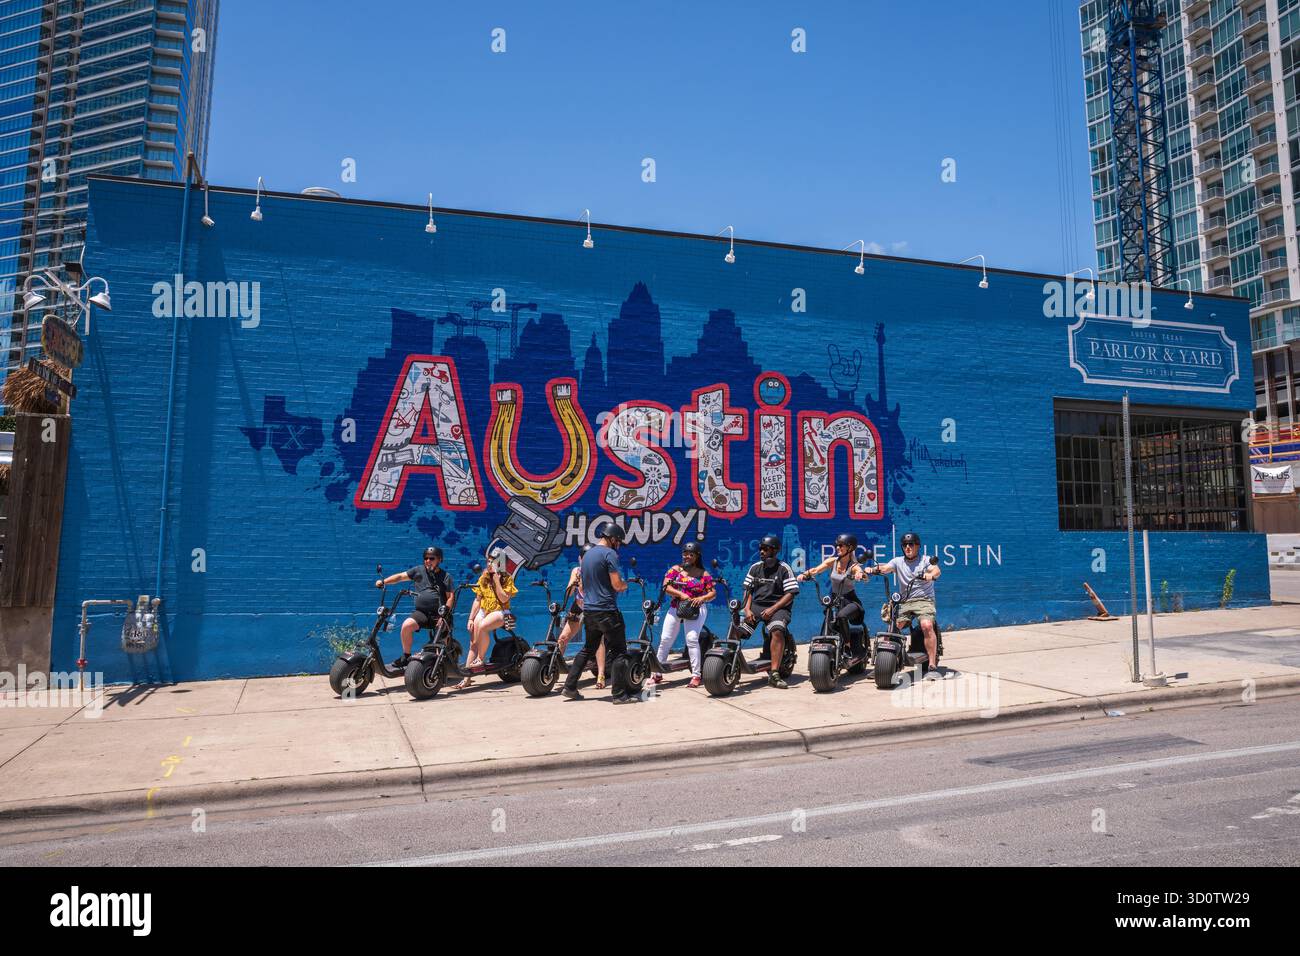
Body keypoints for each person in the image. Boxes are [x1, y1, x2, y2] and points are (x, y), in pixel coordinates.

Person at [562, 518, 632, 702]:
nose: (618, 545)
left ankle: (569, 687)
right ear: (613, 538)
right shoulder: (609, 554)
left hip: (590, 610)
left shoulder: (587, 556)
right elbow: (616, 585)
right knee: (619, 652)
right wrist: (624, 585)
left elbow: (583, 586)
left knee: (588, 649)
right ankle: (619, 695)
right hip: (607, 609)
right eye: (618, 541)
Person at [863, 531, 943, 678]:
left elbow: (936, 570)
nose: (907, 547)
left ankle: (932, 665)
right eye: (905, 545)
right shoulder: (898, 561)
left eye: (911, 544)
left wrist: (931, 575)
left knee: (926, 625)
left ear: (918, 546)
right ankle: (883, 664)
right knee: (893, 628)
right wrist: (873, 569)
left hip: (924, 600)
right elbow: (885, 567)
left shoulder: (925, 560)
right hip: (905, 602)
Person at [375, 547, 454, 669]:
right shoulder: (418, 570)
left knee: (440, 642)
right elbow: (400, 577)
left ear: (439, 559)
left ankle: (442, 665)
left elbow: (450, 597)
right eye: (426, 558)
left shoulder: (445, 576)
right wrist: (383, 581)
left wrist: (445, 614)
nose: (428, 560)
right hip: (421, 613)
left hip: (440, 614)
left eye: (431, 558)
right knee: (406, 626)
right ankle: (406, 657)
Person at [654, 541, 716, 688]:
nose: (687, 556)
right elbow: (666, 586)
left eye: (690, 554)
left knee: (692, 639)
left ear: (697, 556)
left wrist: (702, 598)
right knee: (665, 639)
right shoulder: (675, 569)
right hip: (676, 607)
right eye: (685, 553)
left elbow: (713, 593)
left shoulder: (703, 574)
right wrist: (680, 594)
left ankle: (696, 675)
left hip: (696, 608)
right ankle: (656, 673)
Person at [742, 533, 800, 689]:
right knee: (737, 630)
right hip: (756, 606)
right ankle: (731, 663)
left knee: (777, 630)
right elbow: (748, 590)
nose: (761, 551)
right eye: (761, 548)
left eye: (766, 549)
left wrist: (773, 608)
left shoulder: (784, 568)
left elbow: (790, 593)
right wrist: (747, 610)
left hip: (778, 607)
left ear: (775, 550)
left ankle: (774, 674)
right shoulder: (755, 568)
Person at [798, 532, 866, 653]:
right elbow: (816, 569)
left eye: (841, 545)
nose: (837, 548)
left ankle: (847, 646)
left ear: (850, 548)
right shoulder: (833, 561)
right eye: (837, 545)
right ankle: (821, 647)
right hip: (835, 600)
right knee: (828, 620)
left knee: (841, 616)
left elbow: (860, 572)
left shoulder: (853, 565)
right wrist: (805, 574)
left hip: (850, 601)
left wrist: (860, 575)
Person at [457, 555, 518, 689]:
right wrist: (471, 619)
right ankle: (466, 678)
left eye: (493, 562)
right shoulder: (483, 577)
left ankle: (481, 658)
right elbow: (478, 600)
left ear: (500, 564)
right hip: (484, 610)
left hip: (500, 611)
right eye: (488, 561)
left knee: (484, 626)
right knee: (473, 642)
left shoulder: (507, 578)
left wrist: (496, 580)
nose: (489, 564)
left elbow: (503, 599)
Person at [556, 547, 606, 688]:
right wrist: (573, 583)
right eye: (583, 558)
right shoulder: (576, 571)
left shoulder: (598, 572)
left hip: (594, 608)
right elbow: (570, 592)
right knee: (563, 638)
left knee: (598, 641)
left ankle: (601, 675)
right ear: (580, 559)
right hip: (578, 607)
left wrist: (583, 585)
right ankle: (553, 671)